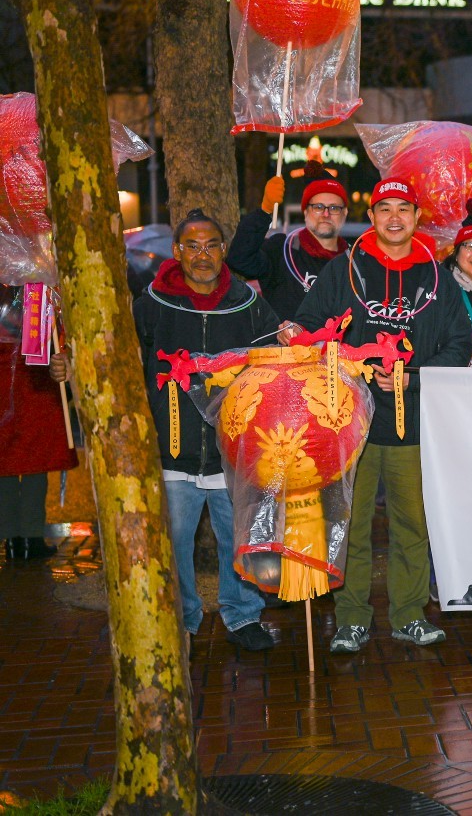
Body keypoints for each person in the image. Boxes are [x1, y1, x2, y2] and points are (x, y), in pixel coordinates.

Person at [284, 179, 472, 653]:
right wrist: (293, 333)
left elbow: (460, 346)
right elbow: (307, 328)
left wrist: (414, 378)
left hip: (415, 424)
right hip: (349, 424)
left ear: (415, 217)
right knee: (351, 524)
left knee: (414, 523)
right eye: (383, 208)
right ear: (371, 217)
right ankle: (352, 618)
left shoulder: (436, 277)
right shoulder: (342, 271)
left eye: (403, 210)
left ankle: (409, 613)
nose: (394, 218)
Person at [136, 209, 283, 651]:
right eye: (193, 246)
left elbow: (277, 359)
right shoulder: (149, 305)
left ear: (223, 250)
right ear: (177, 251)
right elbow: (122, 363)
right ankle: (182, 617)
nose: (203, 255)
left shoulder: (250, 304)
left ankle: (242, 614)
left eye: (212, 245)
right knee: (175, 543)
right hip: (171, 449)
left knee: (238, 539)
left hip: (232, 451)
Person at [0, 287, 75, 560]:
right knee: (35, 464)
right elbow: (53, 338)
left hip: (8, 384)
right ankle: (31, 537)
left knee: (6, 465)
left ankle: (11, 539)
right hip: (35, 381)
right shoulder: (38, 291)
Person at [226, 165, 350, 321]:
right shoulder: (282, 251)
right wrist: (265, 210)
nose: (326, 214)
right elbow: (239, 259)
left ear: (344, 213)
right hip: (286, 345)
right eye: (318, 207)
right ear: (305, 211)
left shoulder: (354, 261)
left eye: (334, 207)